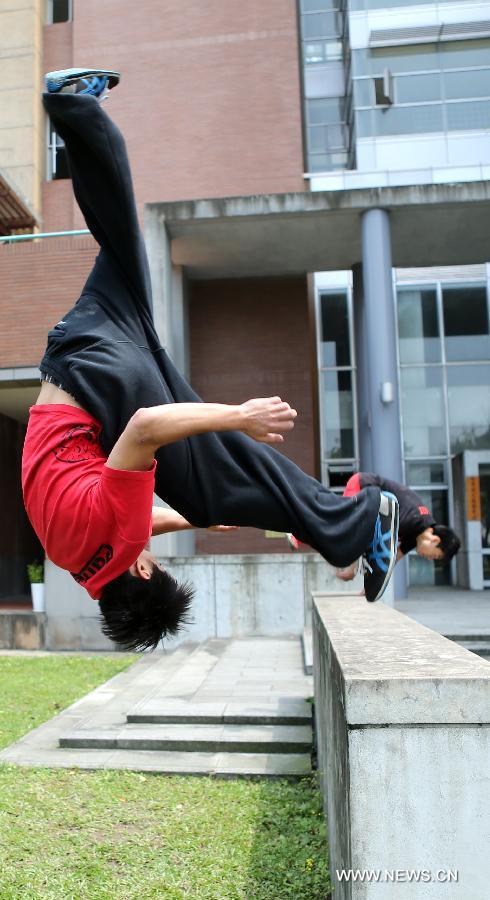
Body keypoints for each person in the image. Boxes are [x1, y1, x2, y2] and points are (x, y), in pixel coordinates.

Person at [21, 68, 399, 652]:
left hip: (108, 382)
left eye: (151, 562)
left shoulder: (117, 539)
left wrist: (239, 415)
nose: (147, 553)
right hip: (78, 353)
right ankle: (76, 109)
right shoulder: (78, 556)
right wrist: (194, 519)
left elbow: (145, 429)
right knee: (120, 235)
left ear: (143, 572)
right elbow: (138, 521)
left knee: (214, 483)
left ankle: (358, 521)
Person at [288, 471, 460, 582]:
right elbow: (374, 539)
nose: (427, 558)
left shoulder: (417, 534)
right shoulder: (412, 519)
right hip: (365, 486)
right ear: (435, 540)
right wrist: (354, 569)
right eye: (433, 557)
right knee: (340, 525)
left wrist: (373, 587)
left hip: (371, 498)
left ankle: (304, 516)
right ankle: (299, 527)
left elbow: (392, 558)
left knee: (338, 524)